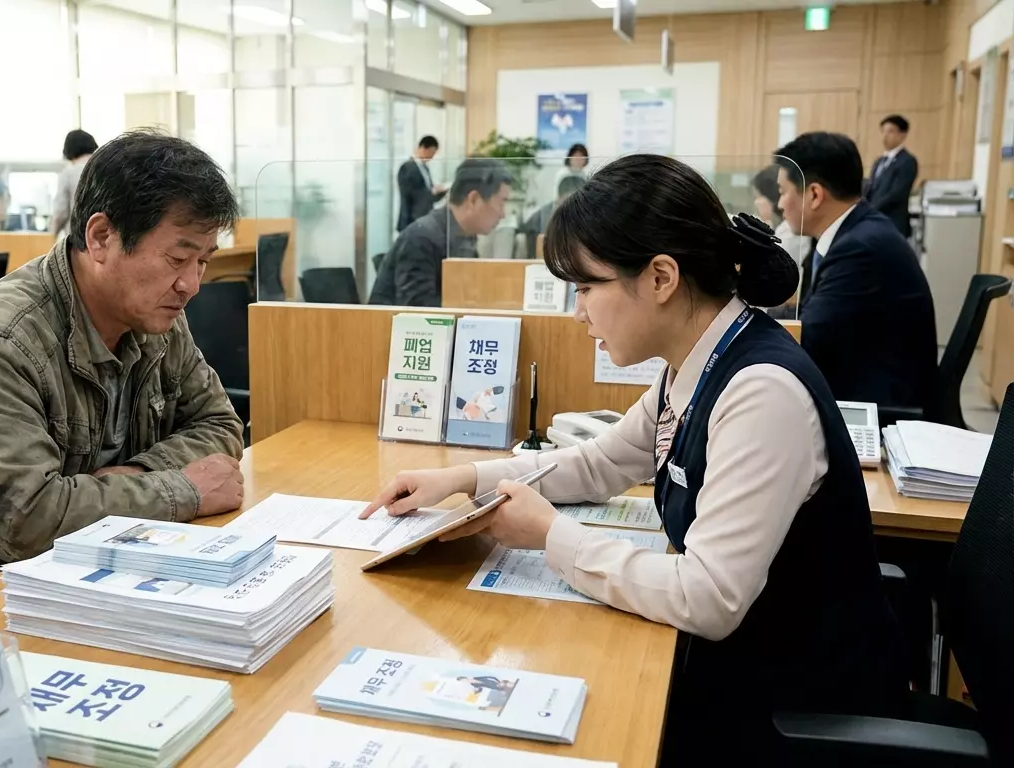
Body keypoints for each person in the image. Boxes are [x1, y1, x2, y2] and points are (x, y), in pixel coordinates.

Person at [362, 154, 906, 764]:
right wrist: (462, 478)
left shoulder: (760, 391)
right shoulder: (694, 363)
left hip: (792, 706)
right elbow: (600, 464)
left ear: (660, 278)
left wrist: (551, 535)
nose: (579, 312)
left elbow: (708, 598)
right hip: (739, 668)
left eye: (587, 288)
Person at [0, 130, 245, 575]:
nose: (191, 285)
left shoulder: (155, 317)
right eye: (178, 259)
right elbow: (24, 522)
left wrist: (141, 474)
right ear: (100, 237)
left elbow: (219, 423)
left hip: (93, 568)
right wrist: (179, 490)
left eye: (204, 261)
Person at [775, 132, 938, 413]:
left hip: (879, 403)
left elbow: (807, 339)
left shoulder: (861, 249)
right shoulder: (856, 231)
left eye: (782, 191)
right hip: (859, 374)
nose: (779, 204)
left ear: (814, 195)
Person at [370, 158, 512, 307]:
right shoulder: (423, 238)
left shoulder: (465, 235)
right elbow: (418, 311)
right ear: (474, 199)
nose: (503, 214)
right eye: (501, 203)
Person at [864, 114, 919, 238]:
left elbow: (897, 193)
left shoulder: (907, 161)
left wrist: (870, 209)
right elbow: (872, 188)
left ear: (902, 134)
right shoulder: (879, 161)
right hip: (874, 222)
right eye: (883, 131)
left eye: (890, 131)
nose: (885, 135)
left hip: (893, 223)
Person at [751, 166, 809, 266]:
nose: (756, 202)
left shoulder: (790, 232)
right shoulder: (783, 227)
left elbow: (771, 266)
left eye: (759, 197)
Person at [52, 129, 99, 236]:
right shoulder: (108, 168)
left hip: (79, 237)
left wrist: (51, 234)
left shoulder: (68, 173)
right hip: (106, 236)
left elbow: (61, 213)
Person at [396, 135, 448, 232]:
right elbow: (411, 195)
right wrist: (432, 191)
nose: (432, 157)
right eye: (431, 153)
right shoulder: (407, 167)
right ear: (423, 148)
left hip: (425, 220)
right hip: (411, 221)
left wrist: (441, 191)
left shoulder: (425, 168)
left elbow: (429, 196)